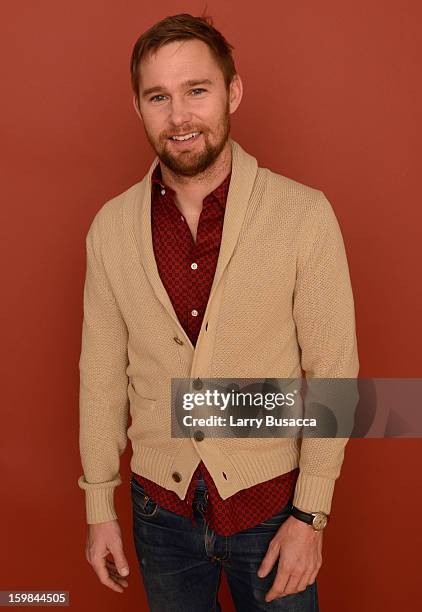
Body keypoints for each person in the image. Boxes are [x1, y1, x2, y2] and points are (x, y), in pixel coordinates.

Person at [78, 12, 359, 611]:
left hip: (273, 508)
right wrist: (99, 506)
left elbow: (335, 370)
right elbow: (101, 375)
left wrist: (311, 514)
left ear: (233, 92)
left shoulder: (303, 216)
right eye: (159, 97)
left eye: (196, 91)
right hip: (161, 514)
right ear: (139, 107)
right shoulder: (110, 229)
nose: (178, 117)